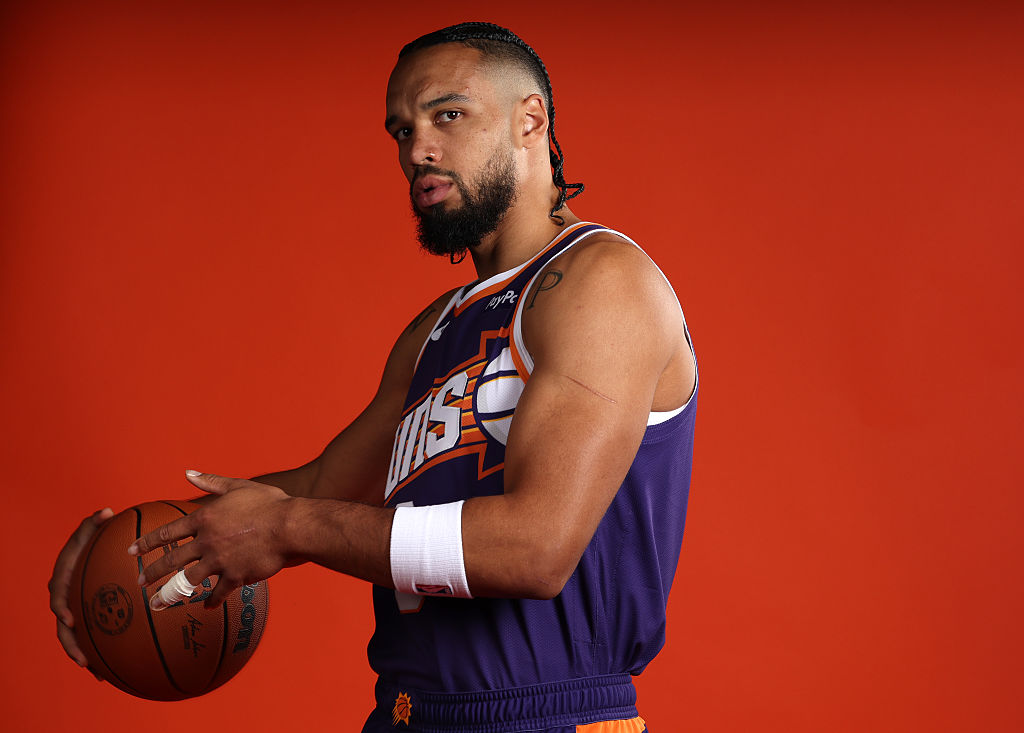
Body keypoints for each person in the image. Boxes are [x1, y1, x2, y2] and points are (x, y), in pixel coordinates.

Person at [49, 22, 697, 732]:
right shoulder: (434, 330)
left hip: (547, 716)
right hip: (406, 713)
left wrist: (291, 527)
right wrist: (131, 554)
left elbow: (535, 549)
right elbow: (322, 486)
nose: (417, 150)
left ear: (530, 119)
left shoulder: (602, 280)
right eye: (402, 130)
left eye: (448, 115)